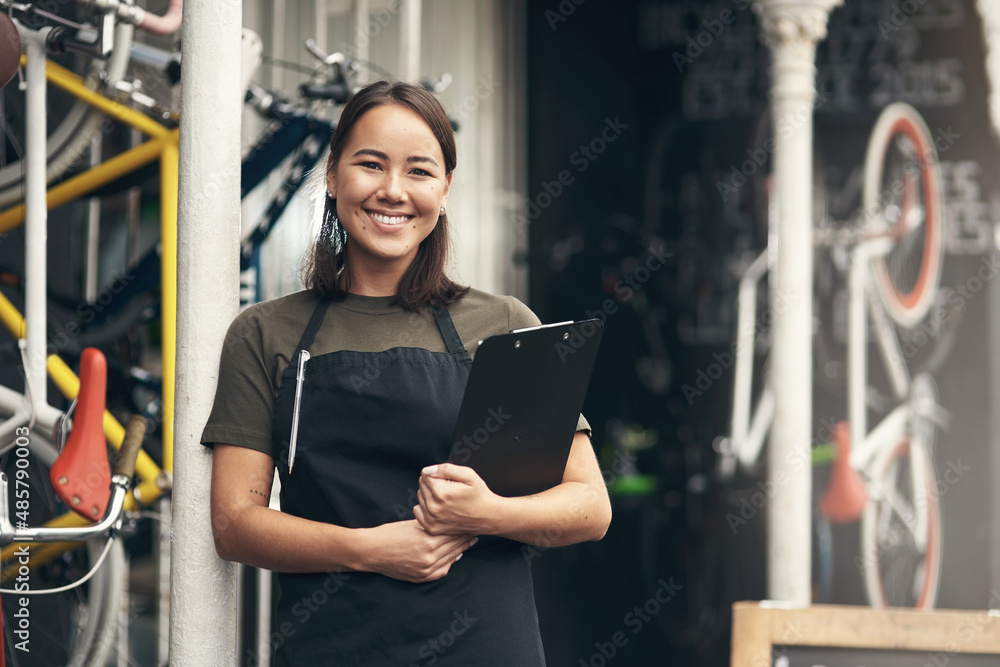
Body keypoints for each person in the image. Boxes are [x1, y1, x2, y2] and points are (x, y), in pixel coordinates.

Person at [202, 80, 612, 666]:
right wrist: (370, 550)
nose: (392, 191)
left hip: (486, 646)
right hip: (331, 647)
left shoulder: (503, 324)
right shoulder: (267, 333)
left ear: (445, 189)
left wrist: (488, 512)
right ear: (333, 176)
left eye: (419, 171)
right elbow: (235, 525)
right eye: (370, 165)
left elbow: (590, 507)